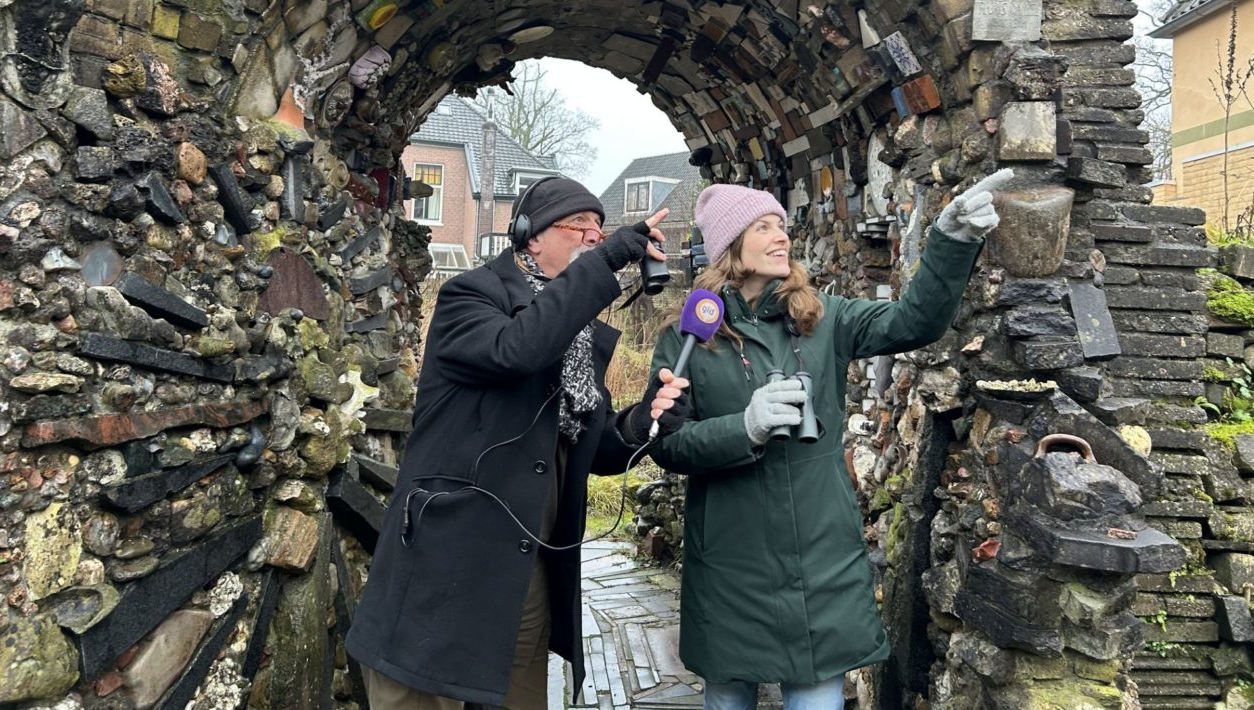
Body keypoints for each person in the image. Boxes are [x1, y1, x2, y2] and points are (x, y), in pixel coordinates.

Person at [647, 170, 1013, 709]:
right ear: (729, 246)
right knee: (727, 697)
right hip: (729, 559)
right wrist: (743, 428)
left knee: (818, 697)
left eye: (782, 225)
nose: (782, 236)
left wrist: (951, 242)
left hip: (821, 555)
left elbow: (917, 321)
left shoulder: (824, 318)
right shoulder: (686, 339)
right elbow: (668, 444)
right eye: (764, 227)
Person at [346, 176, 691, 709]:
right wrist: (601, 269)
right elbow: (517, 350)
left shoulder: (574, 335)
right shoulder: (471, 297)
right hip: (450, 557)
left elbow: (592, 450)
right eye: (580, 228)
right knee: (420, 695)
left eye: (601, 233)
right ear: (531, 237)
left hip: (525, 565)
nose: (593, 239)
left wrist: (644, 420)